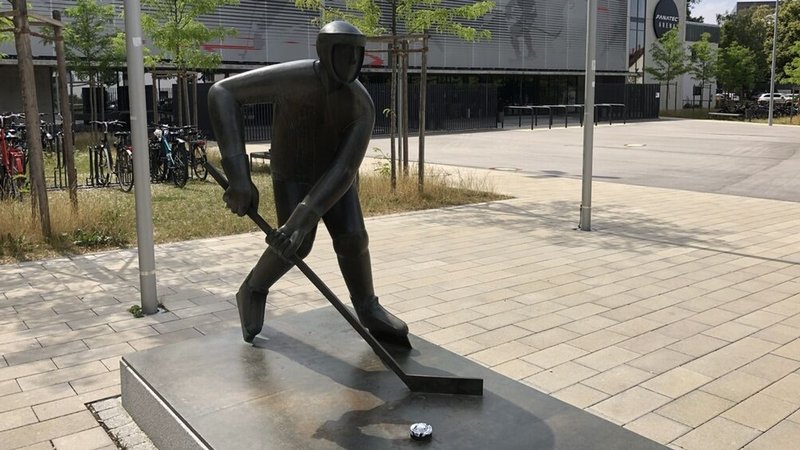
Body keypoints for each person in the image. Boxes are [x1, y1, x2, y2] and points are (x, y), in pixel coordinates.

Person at [208, 21, 409, 345]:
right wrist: (240, 178)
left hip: (334, 179)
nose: (352, 64)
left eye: (358, 55)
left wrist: (305, 215)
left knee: (354, 238)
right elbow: (223, 93)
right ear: (324, 52)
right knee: (297, 243)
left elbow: (345, 168)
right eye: (344, 54)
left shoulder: (361, 105)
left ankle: (368, 307)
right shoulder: (294, 78)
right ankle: (253, 289)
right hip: (291, 174)